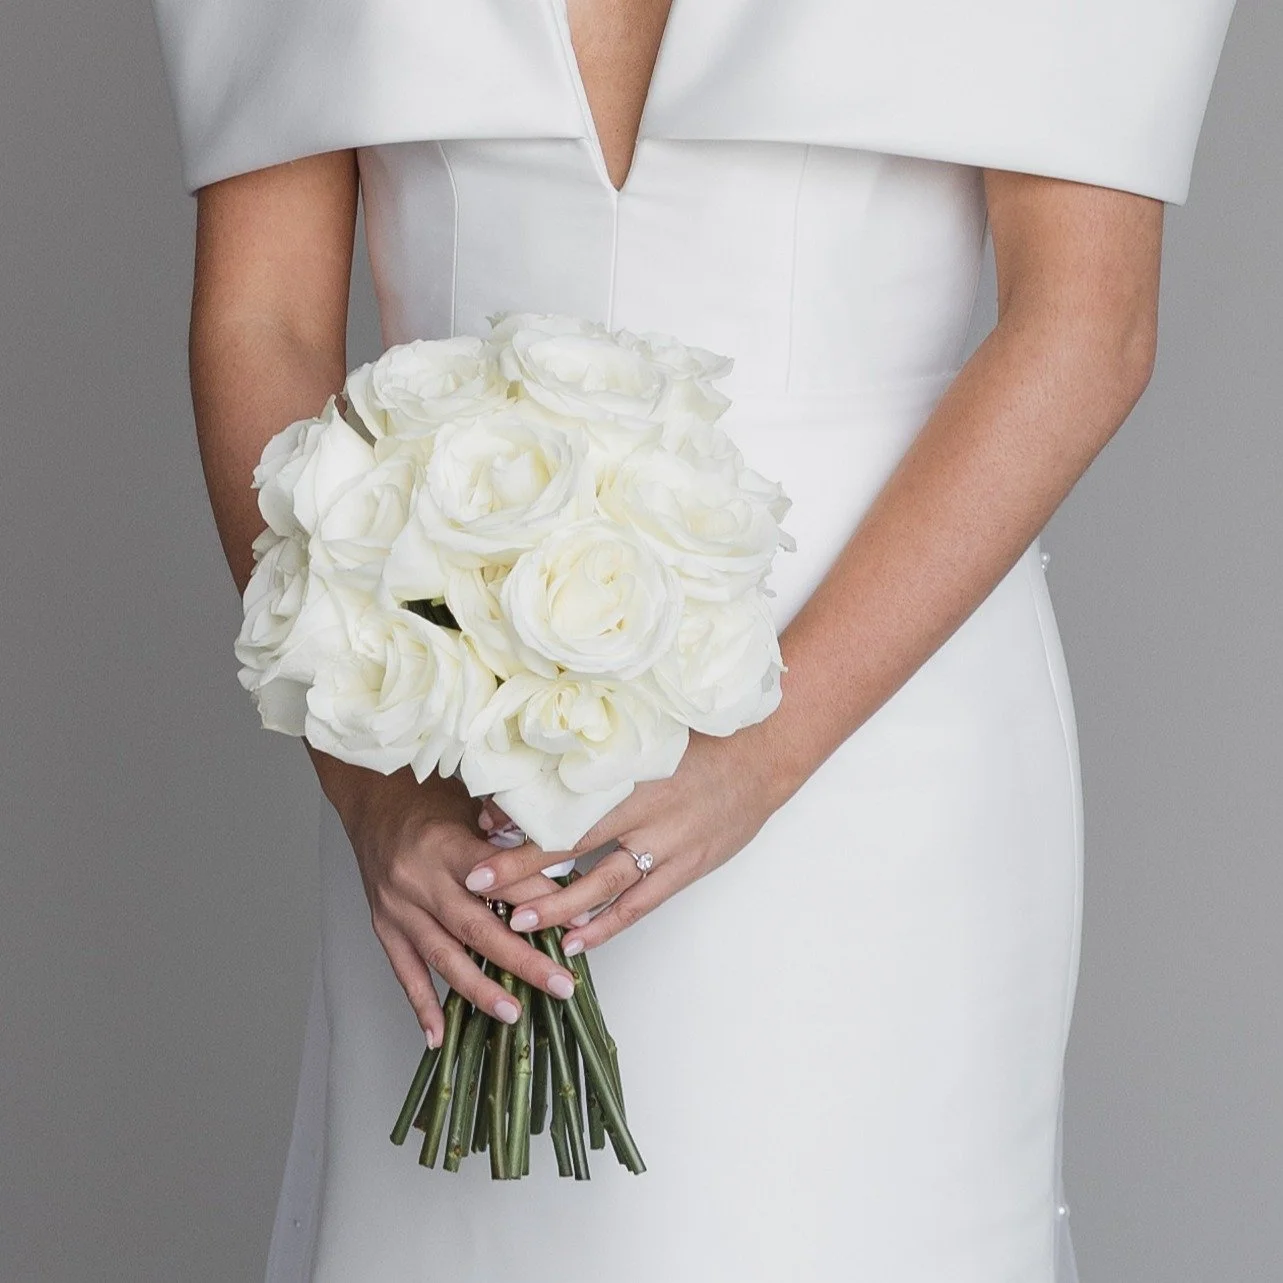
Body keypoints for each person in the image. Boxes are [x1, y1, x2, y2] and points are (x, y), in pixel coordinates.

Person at [150, 1, 1239, 1278]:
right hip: (448, 730)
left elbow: (1085, 324)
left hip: (873, 723)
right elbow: (259, 327)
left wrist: (759, 756)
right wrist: (378, 793)